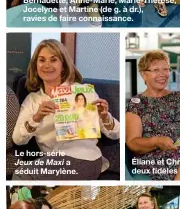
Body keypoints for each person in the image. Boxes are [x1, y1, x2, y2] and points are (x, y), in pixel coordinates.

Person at [12, 39, 120, 180]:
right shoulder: (32, 100)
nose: (47, 65)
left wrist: (105, 117)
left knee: (22, 175)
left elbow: (117, 134)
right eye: (42, 60)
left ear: (63, 65)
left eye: (53, 60)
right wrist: (36, 118)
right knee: (22, 174)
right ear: (36, 65)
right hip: (54, 161)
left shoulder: (82, 92)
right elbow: (18, 139)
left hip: (86, 157)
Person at [126, 50, 180, 181]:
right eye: (156, 70)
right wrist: (157, 141)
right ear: (144, 75)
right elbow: (133, 143)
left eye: (166, 69)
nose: (162, 74)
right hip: (155, 153)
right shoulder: (136, 103)